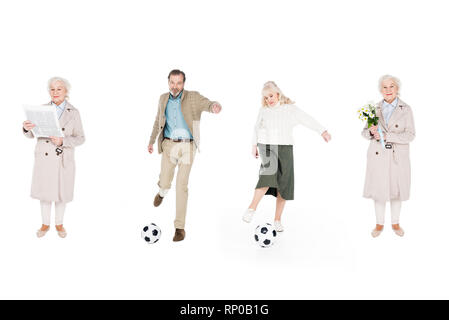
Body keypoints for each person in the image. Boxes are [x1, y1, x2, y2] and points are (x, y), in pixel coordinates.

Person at [243, 81, 331, 232]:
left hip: (285, 147)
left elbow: (306, 118)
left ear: (277, 94)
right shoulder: (263, 111)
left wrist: (322, 131)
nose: (268, 100)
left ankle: (277, 219)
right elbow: (256, 128)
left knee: (284, 184)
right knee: (268, 175)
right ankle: (251, 208)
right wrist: (254, 145)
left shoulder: (289, 109)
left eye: (270, 96)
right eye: (265, 97)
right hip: (267, 146)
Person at [147, 69, 222, 242]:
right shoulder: (163, 98)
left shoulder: (193, 97)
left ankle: (179, 228)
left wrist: (214, 106)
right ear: (168, 82)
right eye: (172, 83)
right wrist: (151, 141)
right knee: (166, 181)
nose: (175, 86)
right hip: (168, 144)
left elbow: (208, 104)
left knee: (182, 186)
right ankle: (162, 191)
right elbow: (158, 120)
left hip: (187, 146)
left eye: (178, 83)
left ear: (184, 83)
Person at [23, 77, 85, 238]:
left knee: (61, 193)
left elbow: (81, 138)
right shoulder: (41, 110)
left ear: (66, 91)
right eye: (52, 89)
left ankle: (59, 224)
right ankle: (45, 224)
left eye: (59, 89)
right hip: (44, 158)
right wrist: (26, 128)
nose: (55, 92)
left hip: (63, 158)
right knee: (45, 193)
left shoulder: (74, 112)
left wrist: (63, 141)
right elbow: (31, 135)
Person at [362, 75, 415, 238]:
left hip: (397, 156)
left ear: (397, 88)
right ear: (380, 90)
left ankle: (395, 223)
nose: (388, 90)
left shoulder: (405, 109)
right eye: (384, 87)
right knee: (379, 191)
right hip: (378, 156)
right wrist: (371, 132)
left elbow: (410, 135)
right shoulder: (373, 108)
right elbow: (364, 132)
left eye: (391, 86)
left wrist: (387, 136)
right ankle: (379, 224)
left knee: (396, 190)